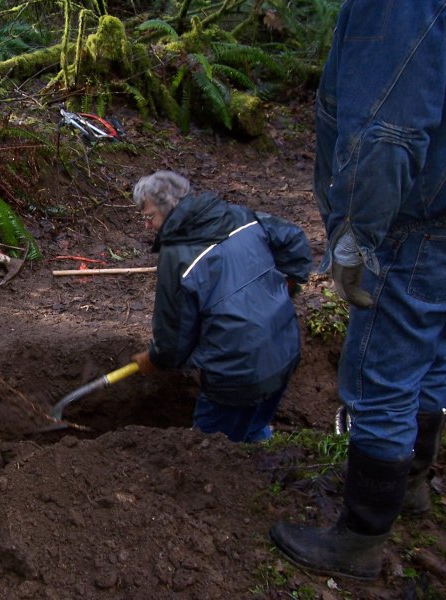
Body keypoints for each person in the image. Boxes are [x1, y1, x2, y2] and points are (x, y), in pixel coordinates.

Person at [269, 1, 446, 580]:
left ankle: (360, 539)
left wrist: (355, 235)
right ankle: (411, 484)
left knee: (382, 371)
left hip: (415, 217)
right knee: (432, 348)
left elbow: (385, 132)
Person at [130, 170, 312, 443]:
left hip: (234, 372)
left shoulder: (177, 254)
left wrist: (156, 358)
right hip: (283, 348)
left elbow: (174, 334)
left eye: (149, 217)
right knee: (253, 430)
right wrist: (286, 289)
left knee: (209, 452)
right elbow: (294, 240)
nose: (147, 226)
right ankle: (261, 467)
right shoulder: (238, 216)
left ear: (168, 208)